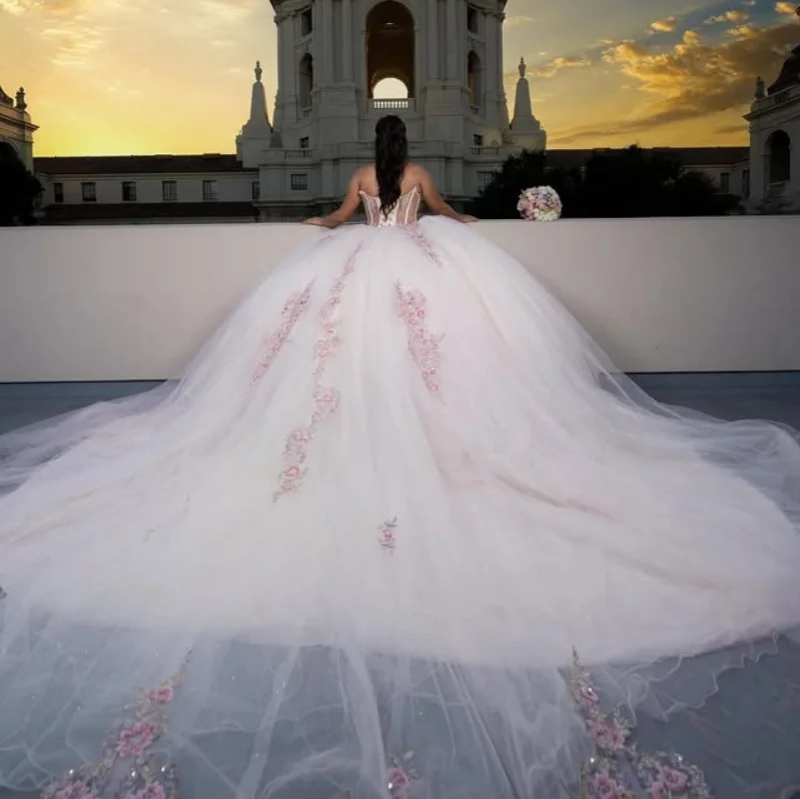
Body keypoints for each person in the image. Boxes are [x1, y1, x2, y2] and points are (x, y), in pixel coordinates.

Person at [0, 114, 799, 799]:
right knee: (436, 368)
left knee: (341, 370)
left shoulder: (359, 177)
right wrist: (468, 222)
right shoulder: (418, 175)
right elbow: (443, 213)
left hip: (358, 267)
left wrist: (322, 228)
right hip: (416, 267)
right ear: (404, 146)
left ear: (370, 150)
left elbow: (341, 217)